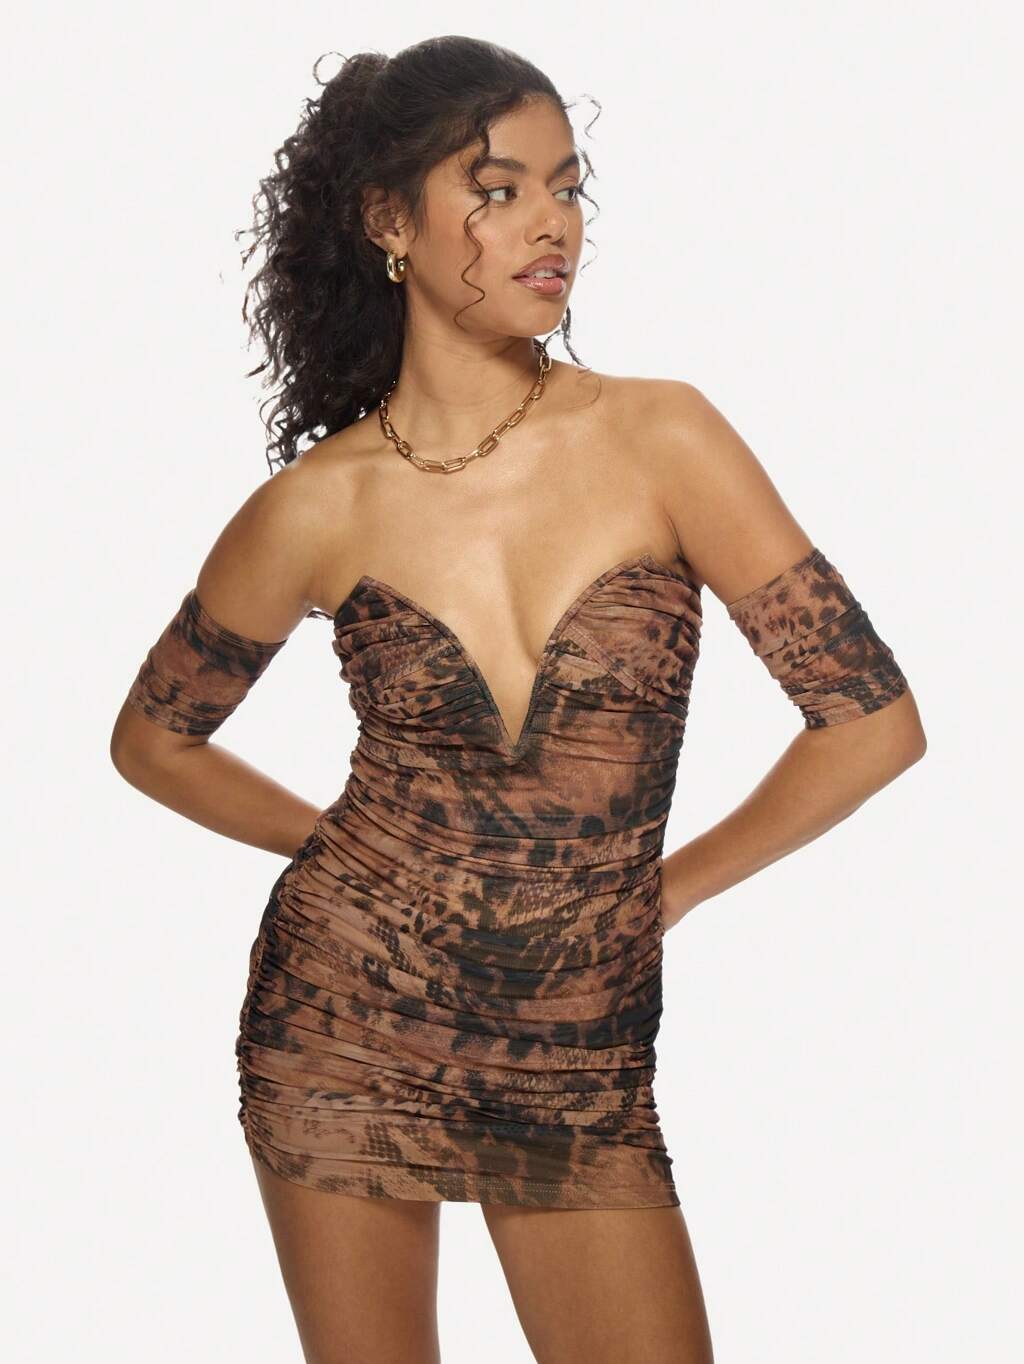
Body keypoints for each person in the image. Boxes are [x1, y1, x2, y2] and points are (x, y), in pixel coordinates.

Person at [109, 36, 927, 1364]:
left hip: (574, 1047)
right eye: (497, 190)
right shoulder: (316, 505)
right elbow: (154, 742)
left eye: (568, 185)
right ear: (391, 222)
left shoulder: (662, 437)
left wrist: (662, 892)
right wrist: (352, 856)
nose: (553, 223)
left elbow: (872, 721)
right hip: (344, 1021)